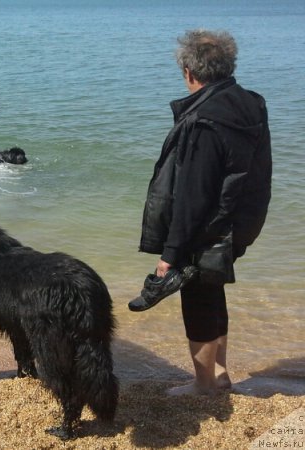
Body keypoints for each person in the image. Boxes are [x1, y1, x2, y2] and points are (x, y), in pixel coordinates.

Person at [137, 30, 272, 395]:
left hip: (211, 224)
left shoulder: (204, 121)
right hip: (241, 219)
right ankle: (221, 374)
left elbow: (193, 196)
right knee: (212, 287)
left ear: (189, 72)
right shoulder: (250, 103)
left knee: (195, 293)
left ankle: (203, 384)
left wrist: (169, 256)